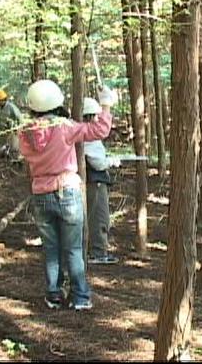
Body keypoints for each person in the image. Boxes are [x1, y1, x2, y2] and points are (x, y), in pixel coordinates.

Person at [18, 79, 117, 311]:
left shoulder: (26, 132)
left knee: (51, 248)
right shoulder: (64, 127)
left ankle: (53, 294)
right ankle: (80, 297)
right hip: (67, 191)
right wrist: (106, 106)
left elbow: (22, 151)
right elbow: (99, 130)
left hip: (41, 194)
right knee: (73, 248)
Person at [82, 97, 122, 265]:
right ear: (91, 116)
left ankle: (94, 249)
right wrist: (112, 162)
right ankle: (98, 252)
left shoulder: (84, 132)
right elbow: (98, 163)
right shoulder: (89, 135)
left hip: (91, 181)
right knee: (99, 217)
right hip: (95, 181)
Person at [0, 89, 23, 159]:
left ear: (1, 100)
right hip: (3, 131)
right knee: (2, 148)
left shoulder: (11, 107)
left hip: (13, 130)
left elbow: (20, 118)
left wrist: (18, 129)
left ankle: (17, 160)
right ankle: (6, 157)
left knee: (14, 147)